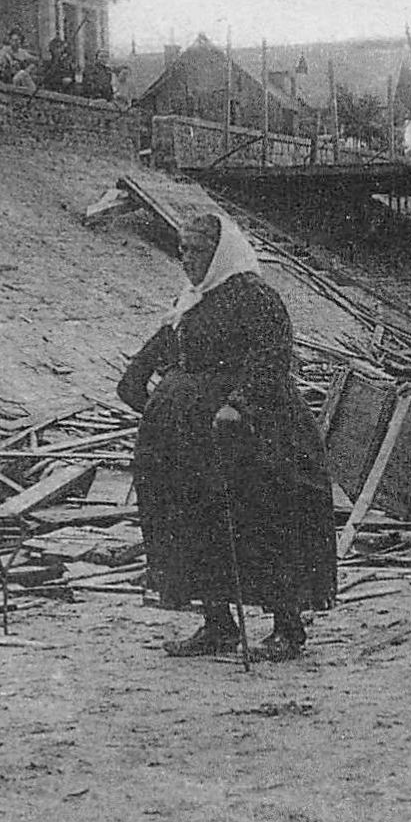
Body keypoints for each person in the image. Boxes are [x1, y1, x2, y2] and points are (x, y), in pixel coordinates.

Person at [117, 214, 336, 662]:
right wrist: (145, 396)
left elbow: (270, 359)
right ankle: (218, 625)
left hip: (256, 432)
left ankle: (287, 627)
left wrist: (237, 405)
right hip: (194, 439)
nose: (186, 260)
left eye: (196, 251)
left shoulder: (255, 297)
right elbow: (162, 348)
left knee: (261, 519)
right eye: (182, 251)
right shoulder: (192, 301)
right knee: (195, 523)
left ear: (220, 253)